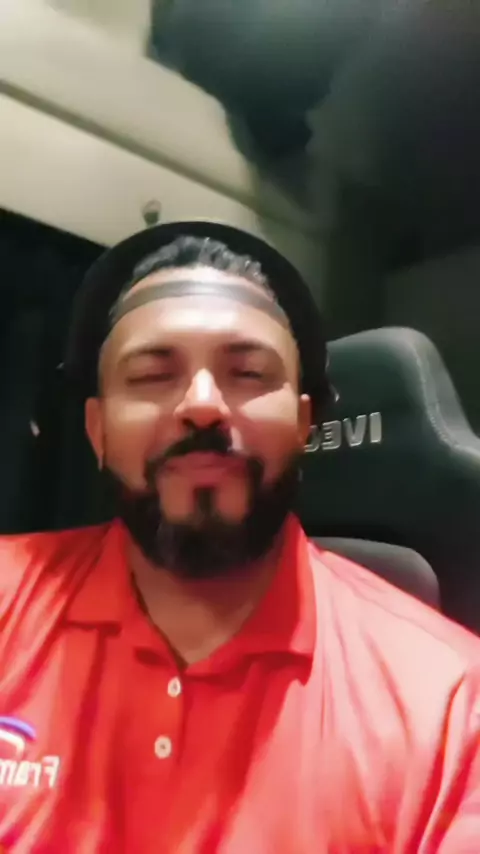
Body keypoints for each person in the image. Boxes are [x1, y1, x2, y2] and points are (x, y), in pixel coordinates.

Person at [0, 220, 478, 853]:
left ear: (304, 425)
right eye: (152, 374)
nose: (202, 404)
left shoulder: (453, 706)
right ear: (98, 431)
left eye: (248, 373)